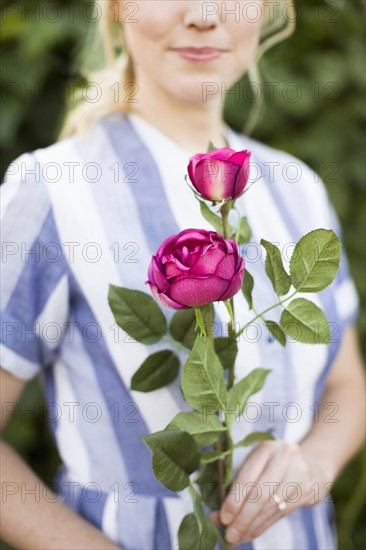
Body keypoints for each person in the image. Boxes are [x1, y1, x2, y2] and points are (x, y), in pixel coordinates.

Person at [1, 1, 365, 549]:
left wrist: (314, 462)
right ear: (117, 9)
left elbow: (346, 383)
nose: (202, 14)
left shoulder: (297, 188)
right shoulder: (51, 188)